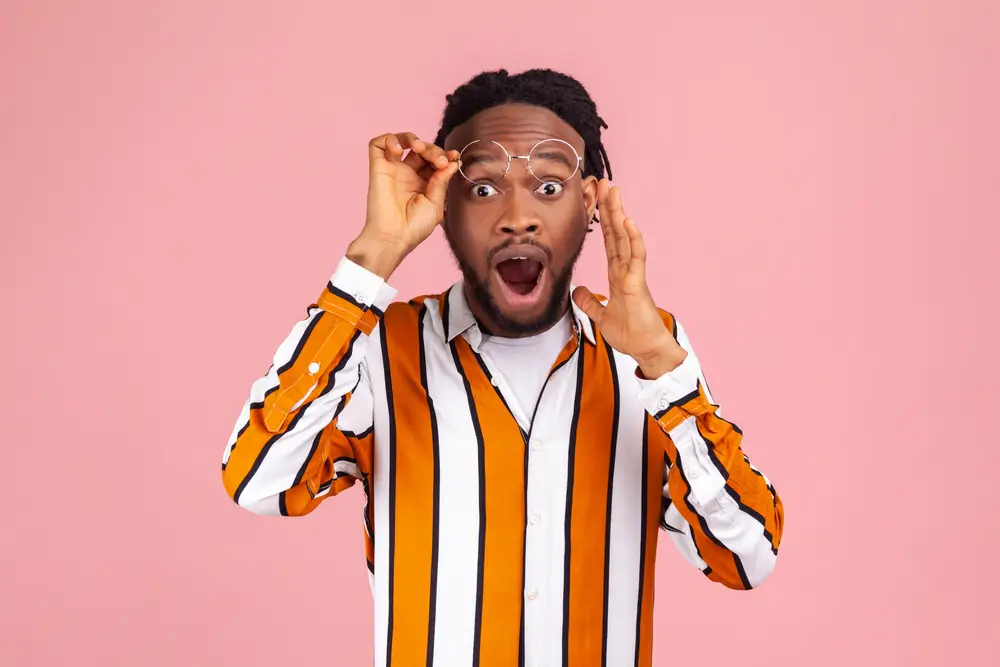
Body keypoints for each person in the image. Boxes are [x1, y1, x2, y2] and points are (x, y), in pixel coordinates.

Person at [221, 68, 784, 667]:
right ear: (443, 205)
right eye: (484, 188)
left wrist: (664, 370)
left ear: (589, 201)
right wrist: (374, 254)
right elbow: (259, 482)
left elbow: (745, 558)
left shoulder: (649, 362)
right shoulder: (380, 350)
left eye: (548, 186)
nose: (518, 217)